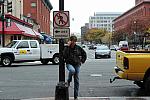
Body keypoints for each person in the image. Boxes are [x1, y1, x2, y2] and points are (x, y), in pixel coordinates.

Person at [63, 36, 87, 100]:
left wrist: (82, 61)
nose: (73, 42)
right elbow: (64, 55)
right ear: (70, 41)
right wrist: (67, 47)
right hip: (69, 64)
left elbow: (84, 54)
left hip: (77, 64)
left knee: (76, 80)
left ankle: (75, 96)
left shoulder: (78, 48)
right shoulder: (67, 48)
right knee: (72, 70)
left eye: (74, 41)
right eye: (72, 41)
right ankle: (69, 80)